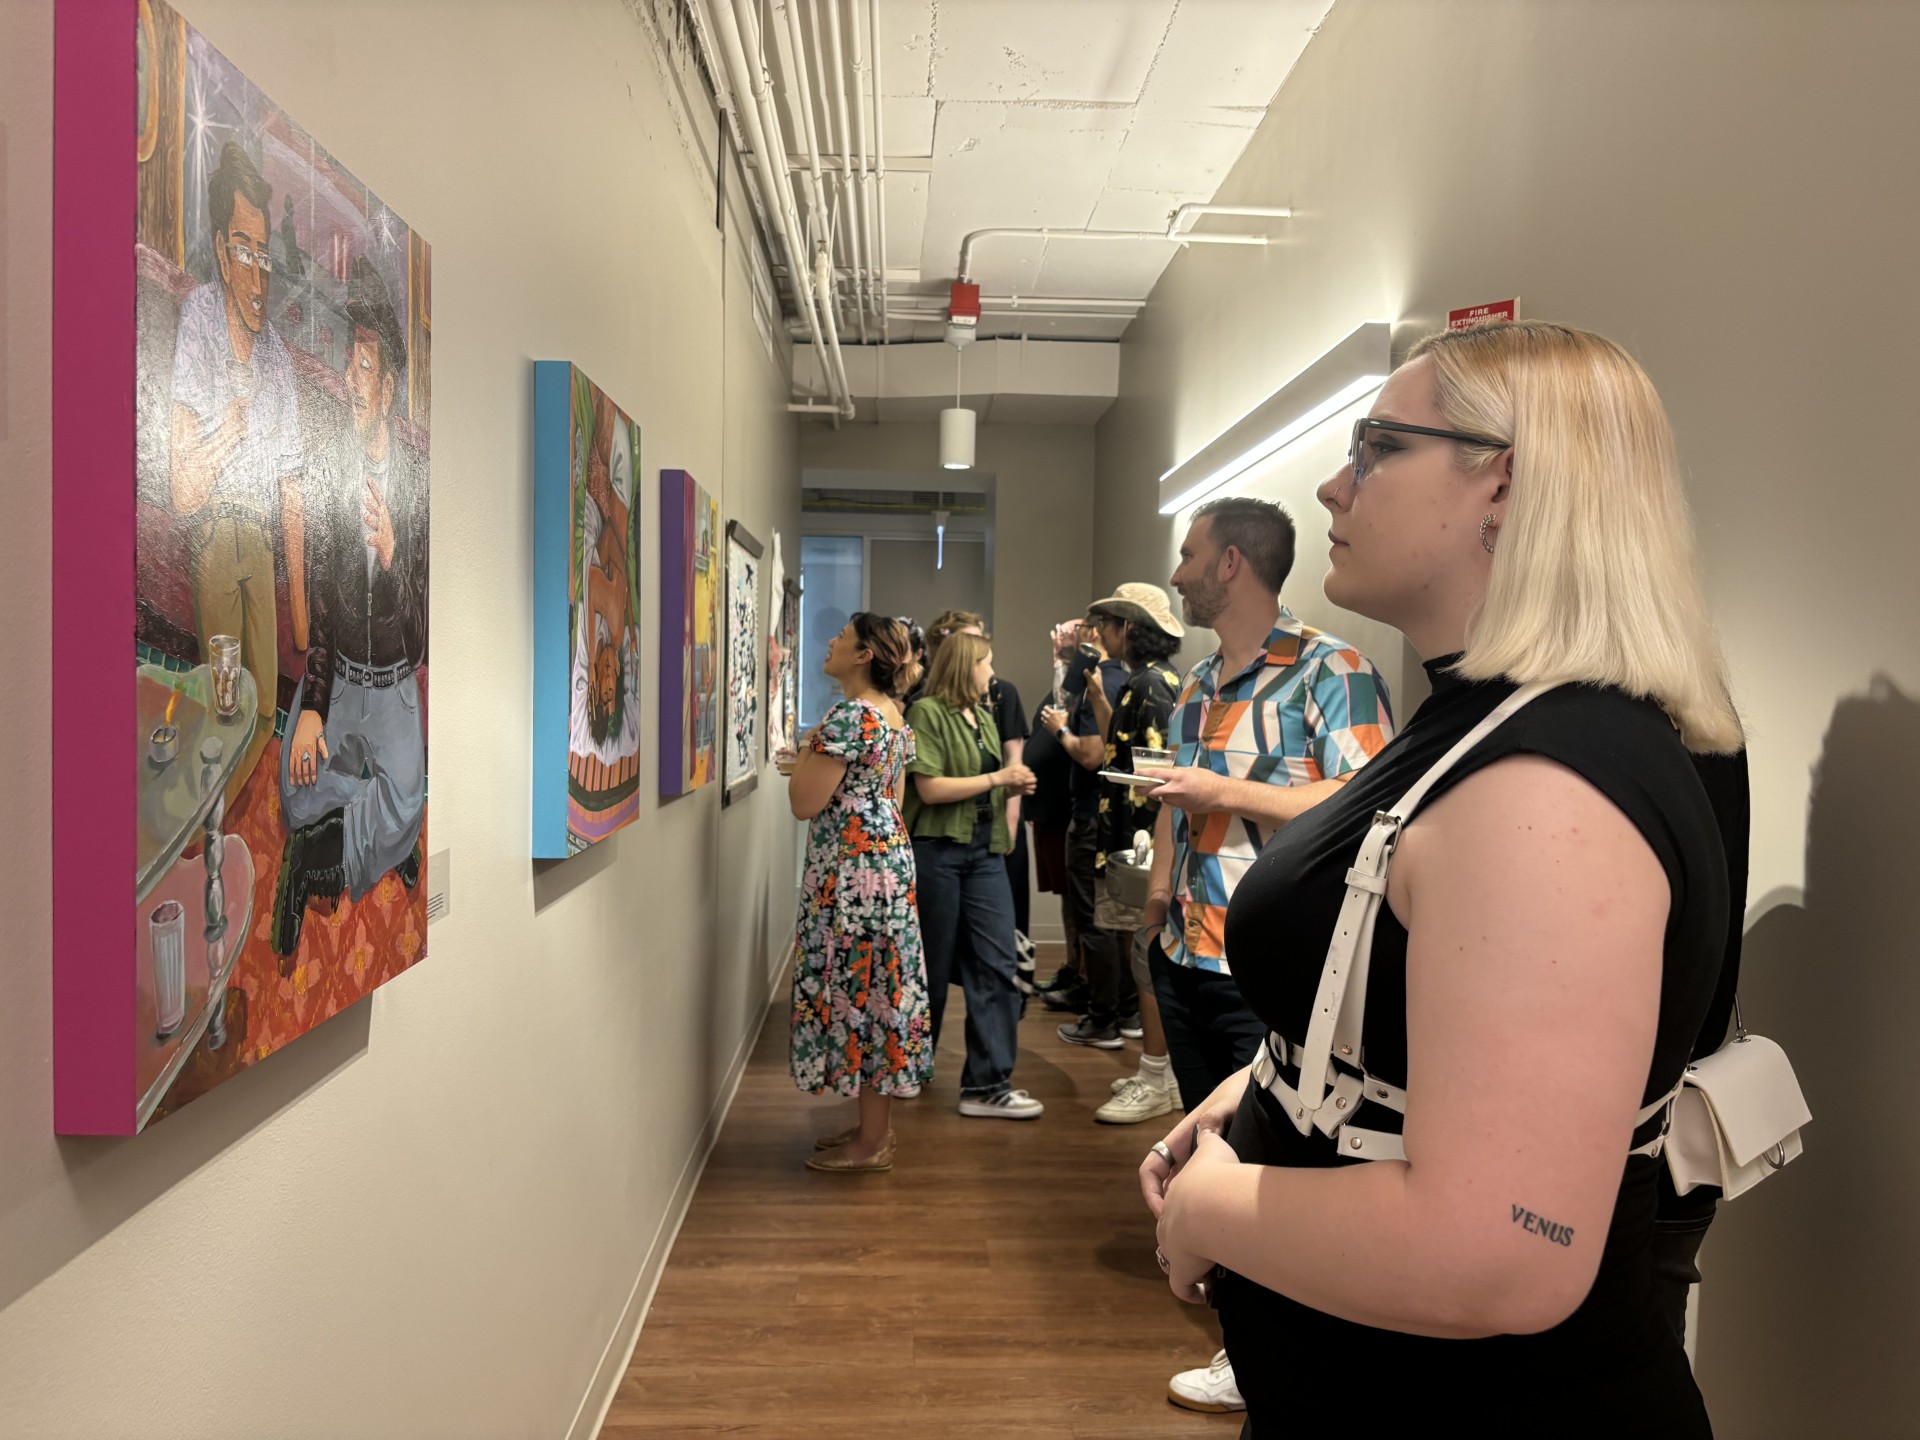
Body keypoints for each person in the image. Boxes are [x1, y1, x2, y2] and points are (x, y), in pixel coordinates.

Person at [1143, 321, 1745, 1436]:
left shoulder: (1545, 790)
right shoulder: (1480, 724)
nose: (1333, 485)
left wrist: (1216, 1208)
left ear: (1504, 485)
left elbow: (1503, 1252)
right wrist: (1269, 1092)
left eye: (1375, 447)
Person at [1141, 494, 1395, 1415]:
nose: (1176, 573)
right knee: (1212, 1150)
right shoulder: (1197, 684)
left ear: (1232, 565)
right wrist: (1159, 893)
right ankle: (1245, 1340)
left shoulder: (1337, 671)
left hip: (1280, 970)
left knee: (1272, 1172)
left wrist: (1223, 786)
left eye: (1188, 554)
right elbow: (1178, 799)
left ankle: (1270, 1355)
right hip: (1189, 951)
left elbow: (1367, 809)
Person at [273, 257, 427, 964]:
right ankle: (364, 821)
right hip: (342, 677)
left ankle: (321, 858)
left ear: (388, 387)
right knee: (293, 791)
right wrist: (311, 705)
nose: (350, 381)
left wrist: (395, 558)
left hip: (392, 683)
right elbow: (328, 611)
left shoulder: (416, 484)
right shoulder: (337, 464)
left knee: (409, 804)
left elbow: (421, 640)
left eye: (363, 371)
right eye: (349, 364)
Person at [169, 139, 306, 803]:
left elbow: (294, 487)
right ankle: (190, 824)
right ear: (223, 255)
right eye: (243, 252)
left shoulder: (278, 358)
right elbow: (182, 486)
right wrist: (228, 430)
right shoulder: (197, 316)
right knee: (227, 705)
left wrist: (302, 617)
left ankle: (198, 816)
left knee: (257, 713)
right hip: (216, 536)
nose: (257, 276)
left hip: (257, 542)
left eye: (264, 256)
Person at [785, 614, 929, 1173]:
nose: (830, 642)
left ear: (865, 654)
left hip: (851, 876)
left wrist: (803, 755)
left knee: (862, 991)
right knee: (880, 990)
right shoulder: (890, 715)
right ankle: (873, 1128)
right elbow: (887, 793)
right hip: (885, 866)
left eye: (841, 637)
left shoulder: (849, 716)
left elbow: (803, 802)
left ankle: (872, 1144)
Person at [904, 632, 1043, 1120]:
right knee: (931, 970)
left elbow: (993, 782)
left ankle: (987, 1084)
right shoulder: (925, 713)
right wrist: (1000, 779)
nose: (992, 670)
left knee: (998, 964)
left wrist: (1013, 783)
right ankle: (910, 1067)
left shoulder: (984, 717)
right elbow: (931, 787)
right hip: (938, 853)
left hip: (985, 854)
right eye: (987, 661)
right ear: (966, 666)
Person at [1036, 621, 1125, 1018]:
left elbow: (1091, 753)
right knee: (1076, 906)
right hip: (1071, 810)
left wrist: (1058, 731)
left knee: (1094, 918)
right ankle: (1082, 981)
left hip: (1092, 813)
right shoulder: (1088, 681)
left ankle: (1102, 1006)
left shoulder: (1105, 680)